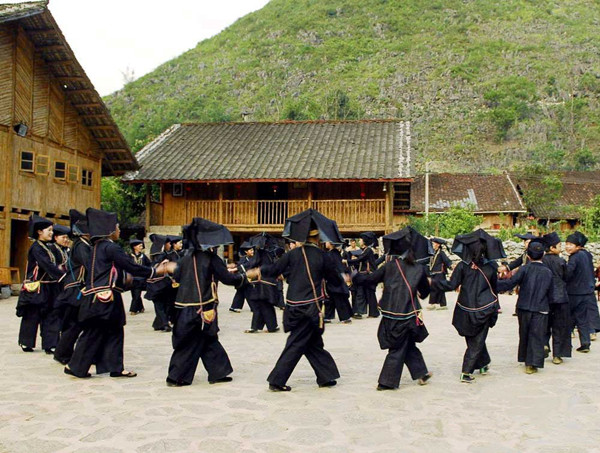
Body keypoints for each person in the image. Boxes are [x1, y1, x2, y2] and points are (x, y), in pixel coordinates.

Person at [65, 208, 168, 379]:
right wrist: (154, 272)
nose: (119, 230)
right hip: (104, 297)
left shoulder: (96, 247)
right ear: (110, 230)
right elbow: (131, 266)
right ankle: (76, 366)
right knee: (96, 331)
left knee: (114, 329)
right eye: (117, 227)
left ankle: (114, 367)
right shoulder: (110, 248)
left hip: (99, 295)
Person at [246, 228, 345, 392]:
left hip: (293, 306)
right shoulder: (323, 256)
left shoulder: (292, 254)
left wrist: (258, 271)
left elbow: (274, 269)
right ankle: (277, 380)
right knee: (296, 343)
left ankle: (326, 376)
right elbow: (334, 278)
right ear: (317, 238)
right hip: (310, 307)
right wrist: (344, 280)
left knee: (313, 342)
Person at [166, 218, 246, 387]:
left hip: (183, 306)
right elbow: (227, 279)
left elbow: (177, 278)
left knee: (208, 339)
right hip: (202, 308)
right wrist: (243, 278)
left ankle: (219, 371)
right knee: (191, 342)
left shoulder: (184, 258)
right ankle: (176, 377)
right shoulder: (211, 258)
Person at [353, 228, 433, 390]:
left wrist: (353, 276)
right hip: (410, 314)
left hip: (390, 315)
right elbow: (425, 293)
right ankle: (391, 381)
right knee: (402, 345)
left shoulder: (388, 266)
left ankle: (408, 376)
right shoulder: (418, 269)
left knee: (401, 345)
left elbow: (370, 280)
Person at [433, 230, 501, 383]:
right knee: (477, 341)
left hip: (465, 308)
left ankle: (482, 363)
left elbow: (451, 285)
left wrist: (434, 283)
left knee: (473, 339)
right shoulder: (491, 267)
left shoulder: (462, 266)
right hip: (485, 308)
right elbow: (495, 289)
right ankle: (466, 371)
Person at [497, 241, 554, 374]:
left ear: (528, 256)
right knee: (537, 335)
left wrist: (493, 284)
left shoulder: (524, 269)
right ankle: (532, 363)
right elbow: (551, 292)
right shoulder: (547, 272)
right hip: (541, 308)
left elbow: (510, 283)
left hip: (524, 306)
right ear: (543, 255)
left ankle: (525, 357)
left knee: (525, 333)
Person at [16, 215, 66, 353]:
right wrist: (63, 277)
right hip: (37, 286)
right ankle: (27, 342)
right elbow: (47, 265)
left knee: (52, 313)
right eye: (49, 230)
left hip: (51, 285)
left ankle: (50, 344)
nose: (51, 233)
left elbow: (58, 262)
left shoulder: (49, 247)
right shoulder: (36, 248)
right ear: (39, 232)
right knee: (33, 314)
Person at [53, 210, 91, 365]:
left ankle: (65, 352)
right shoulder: (81, 246)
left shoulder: (84, 245)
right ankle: (62, 353)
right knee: (74, 323)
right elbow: (89, 265)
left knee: (77, 323)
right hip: (75, 289)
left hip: (77, 289)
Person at [541, 232, 572, 364]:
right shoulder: (561, 261)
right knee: (560, 326)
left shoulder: (541, 261)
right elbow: (567, 277)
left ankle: (544, 345)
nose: (561, 247)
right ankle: (557, 355)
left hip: (545, 298)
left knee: (544, 325)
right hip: (560, 298)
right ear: (552, 248)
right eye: (559, 245)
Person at [565, 231, 598, 353]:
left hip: (574, 292)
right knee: (582, 318)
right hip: (587, 292)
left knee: (568, 318)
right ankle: (585, 343)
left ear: (578, 246)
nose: (568, 246)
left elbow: (569, 273)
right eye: (566, 244)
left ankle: (565, 344)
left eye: (570, 244)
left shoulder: (574, 257)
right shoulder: (587, 255)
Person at [240, 244, 280, 334]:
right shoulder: (272, 255)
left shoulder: (261, 254)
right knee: (266, 305)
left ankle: (259, 326)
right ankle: (271, 326)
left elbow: (253, 263)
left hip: (263, 284)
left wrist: (242, 269)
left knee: (260, 305)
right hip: (270, 283)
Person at [145, 234, 173, 332]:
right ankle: (165, 324)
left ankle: (158, 324)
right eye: (168, 243)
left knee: (161, 305)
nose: (170, 244)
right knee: (161, 305)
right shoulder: (162, 256)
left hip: (156, 284)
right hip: (160, 284)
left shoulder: (155, 255)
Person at [350, 232, 379, 318]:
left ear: (365, 240)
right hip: (367, 275)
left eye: (360, 239)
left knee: (369, 293)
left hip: (369, 275)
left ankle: (373, 313)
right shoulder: (366, 250)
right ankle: (372, 313)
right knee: (368, 293)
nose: (359, 241)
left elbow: (361, 259)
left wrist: (347, 261)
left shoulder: (368, 250)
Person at [324, 241, 352, 324]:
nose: (325, 243)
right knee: (330, 299)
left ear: (331, 243)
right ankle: (328, 316)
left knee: (338, 298)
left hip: (335, 278)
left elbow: (338, 268)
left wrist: (342, 276)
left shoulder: (332, 254)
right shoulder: (334, 253)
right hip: (333, 278)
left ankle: (345, 317)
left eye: (327, 242)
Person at [426, 238, 452, 311]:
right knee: (435, 288)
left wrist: (451, 266)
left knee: (438, 288)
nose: (432, 245)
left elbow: (447, 261)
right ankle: (441, 304)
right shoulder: (432, 253)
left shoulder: (441, 253)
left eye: (433, 244)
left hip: (440, 274)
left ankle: (434, 304)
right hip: (433, 274)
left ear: (438, 244)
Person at [229, 242, 253, 313]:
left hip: (249, 278)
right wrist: (233, 269)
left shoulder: (253, 259)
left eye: (252, 250)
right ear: (246, 252)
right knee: (249, 292)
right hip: (244, 279)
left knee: (241, 293)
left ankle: (235, 306)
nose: (252, 252)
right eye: (251, 250)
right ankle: (254, 307)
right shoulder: (243, 259)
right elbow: (242, 267)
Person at [129, 239, 151, 315]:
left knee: (136, 293)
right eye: (140, 246)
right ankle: (140, 307)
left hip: (141, 279)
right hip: (132, 279)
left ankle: (133, 310)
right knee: (134, 294)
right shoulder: (129, 256)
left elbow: (149, 265)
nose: (141, 247)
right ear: (134, 247)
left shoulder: (143, 256)